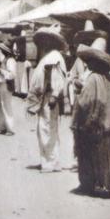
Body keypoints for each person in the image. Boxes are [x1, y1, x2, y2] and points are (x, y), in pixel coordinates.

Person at [71, 38, 110, 198]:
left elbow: (85, 102)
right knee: (109, 156)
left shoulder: (93, 78)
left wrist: (79, 92)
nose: (87, 64)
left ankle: (90, 184)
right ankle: (108, 186)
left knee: (89, 154)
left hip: (95, 126)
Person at [27, 25, 67, 173]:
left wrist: (55, 95)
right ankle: (52, 161)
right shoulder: (49, 56)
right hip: (45, 96)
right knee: (48, 128)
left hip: (50, 97)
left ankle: (50, 162)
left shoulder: (54, 57)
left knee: (47, 128)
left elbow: (57, 79)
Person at [0, 40, 15, 135]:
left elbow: (11, 75)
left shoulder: (10, 60)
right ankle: (1, 126)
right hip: (1, 83)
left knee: (6, 106)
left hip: (7, 84)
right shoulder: (4, 60)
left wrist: (1, 71)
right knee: (0, 106)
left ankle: (10, 128)